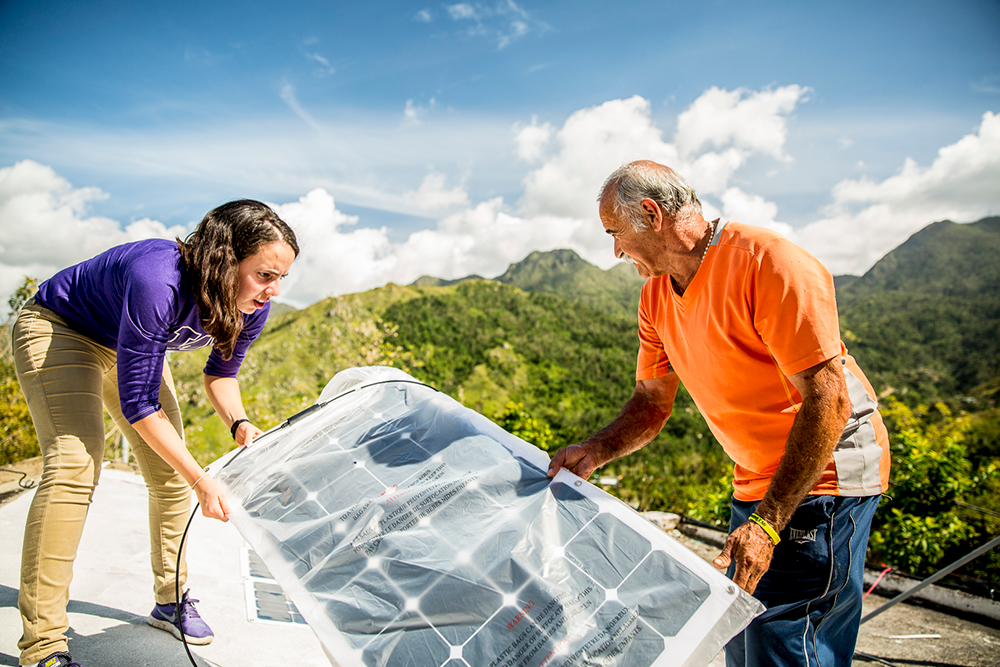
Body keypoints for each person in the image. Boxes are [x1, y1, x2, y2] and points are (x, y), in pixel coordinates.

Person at [547, 161, 890, 667]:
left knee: (787, 642)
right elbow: (650, 402)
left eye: (615, 233)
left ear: (651, 213)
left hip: (826, 476)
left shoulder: (768, 261)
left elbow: (829, 400)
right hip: (755, 483)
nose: (615, 251)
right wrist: (595, 450)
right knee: (740, 632)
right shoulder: (655, 297)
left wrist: (768, 526)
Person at [12, 200, 299, 667]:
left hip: (126, 346)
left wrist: (239, 424)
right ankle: (43, 646)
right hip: (61, 329)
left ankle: (170, 600)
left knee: (168, 478)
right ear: (226, 259)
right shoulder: (157, 278)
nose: (275, 290)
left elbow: (220, 375)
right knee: (74, 468)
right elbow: (140, 404)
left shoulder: (252, 306)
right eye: (266, 275)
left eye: (282, 277)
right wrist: (202, 480)